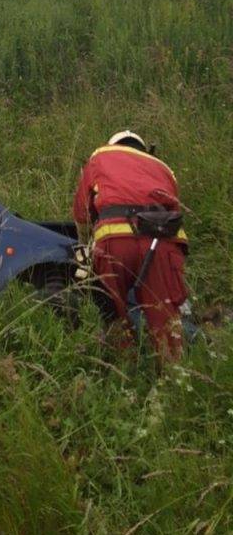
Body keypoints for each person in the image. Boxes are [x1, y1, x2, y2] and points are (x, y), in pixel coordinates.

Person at [73, 130, 188, 363]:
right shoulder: (163, 168)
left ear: (113, 144)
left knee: (113, 311)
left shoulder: (101, 156)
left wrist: (85, 246)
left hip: (114, 240)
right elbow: (175, 212)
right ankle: (174, 374)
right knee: (166, 321)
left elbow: (81, 213)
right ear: (143, 149)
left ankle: (126, 369)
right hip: (162, 244)